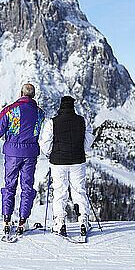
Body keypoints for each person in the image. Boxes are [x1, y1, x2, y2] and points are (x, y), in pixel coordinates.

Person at [0, 83, 45, 235]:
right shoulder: (40, 113)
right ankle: (23, 221)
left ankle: (7, 220)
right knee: (27, 186)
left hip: (12, 152)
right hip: (30, 153)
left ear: (21, 93)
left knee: (10, 185)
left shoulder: (10, 110)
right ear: (33, 95)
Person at [39, 95, 95, 237]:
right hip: (78, 160)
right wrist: (81, 149)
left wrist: (51, 154)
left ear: (61, 106)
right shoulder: (83, 121)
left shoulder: (52, 122)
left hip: (58, 162)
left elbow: (45, 143)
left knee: (60, 191)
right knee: (79, 190)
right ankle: (83, 220)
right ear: (73, 106)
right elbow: (89, 139)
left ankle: (60, 223)